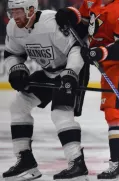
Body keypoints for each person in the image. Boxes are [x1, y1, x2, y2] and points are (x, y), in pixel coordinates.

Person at [54, 0, 119, 180]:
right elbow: (85, 24)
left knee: (115, 113)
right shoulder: (91, 2)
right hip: (107, 67)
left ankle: (117, 163)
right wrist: (70, 15)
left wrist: (100, 52)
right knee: (115, 114)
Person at [2, 0, 90, 180]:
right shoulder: (13, 27)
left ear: (31, 10)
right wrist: (16, 69)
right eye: (13, 12)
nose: (14, 17)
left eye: (19, 12)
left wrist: (70, 73)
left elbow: (76, 49)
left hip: (72, 71)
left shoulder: (51, 24)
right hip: (49, 72)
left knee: (60, 113)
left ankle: (77, 164)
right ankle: (26, 161)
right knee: (18, 107)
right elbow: (12, 53)